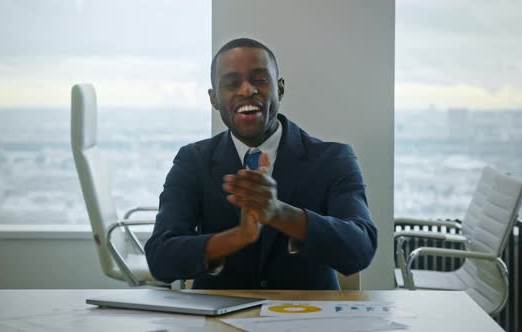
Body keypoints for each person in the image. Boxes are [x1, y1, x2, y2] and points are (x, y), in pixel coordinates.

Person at [145, 38, 377, 290]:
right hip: (217, 322)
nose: (246, 90)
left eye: (260, 80)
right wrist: (236, 238)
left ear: (280, 89)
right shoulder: (193, 161)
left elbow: (360, 247)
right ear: (214, 99)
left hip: (307, 318)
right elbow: (160, 258)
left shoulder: (334, 158)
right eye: (231, 83)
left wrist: (280, 214)